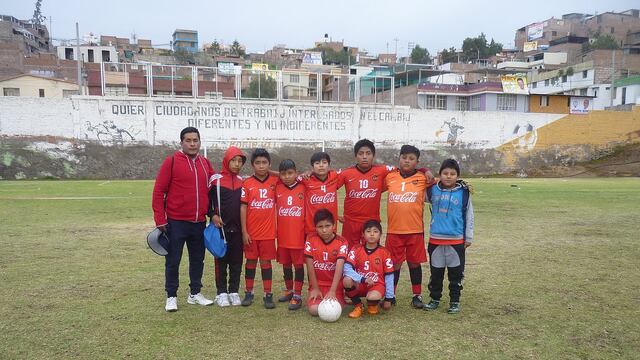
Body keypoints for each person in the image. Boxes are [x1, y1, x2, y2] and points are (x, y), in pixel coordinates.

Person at [151, 127, 215, 312]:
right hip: (176, 222)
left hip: (198, 222)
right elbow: (158, 191)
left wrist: (213, 213)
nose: (192, 144)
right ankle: (171, 296)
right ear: (181, 143)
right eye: (188, 140)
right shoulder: (171, 162)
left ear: (200, 142)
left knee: (198, 260)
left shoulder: (205, 163)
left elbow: (212, 191)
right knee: (173, 260)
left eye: (195, 140)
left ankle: (195, 294)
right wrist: (160, 219)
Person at [423, 159, 474, 314]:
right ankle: (435, 299)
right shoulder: (432, 190)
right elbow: (418, 188)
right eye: (445, 173)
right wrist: (425, 172)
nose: (449, 176)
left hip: (456, 240)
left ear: (457, 176)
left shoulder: (464, 192)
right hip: (436, 239)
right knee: (436, 274)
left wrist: (468, 237)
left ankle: (454, 301)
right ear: (440, 175)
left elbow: (469, 215)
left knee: (456, 275)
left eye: (452, 174)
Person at [384, 145, 432, 309]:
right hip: (394, 230)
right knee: (393, 264)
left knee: (414, 263)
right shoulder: (390, 177)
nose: (407, 161)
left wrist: (425, 170)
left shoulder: (423, 177)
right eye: (404, 157)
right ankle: (391, 295)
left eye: (411, 159)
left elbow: (441, 182)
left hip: (415, 230)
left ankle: (416, 295)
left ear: (417, 162)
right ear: (399, 159)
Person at [240, 148, 279, 309]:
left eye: (264, 163)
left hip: (268, 233)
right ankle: (248, 292)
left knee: (265, 263)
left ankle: (267, 294)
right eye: (258, 163)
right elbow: (243, 208)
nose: (261, 166)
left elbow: (290, 175)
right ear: (252, 165)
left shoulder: (275, 182)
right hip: (251, 233)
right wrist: (244, 231)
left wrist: (271, 172)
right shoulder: (247, 183)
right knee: (250, 262)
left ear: (269, 164)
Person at [209, 146, 246, 307]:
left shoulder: (242, 181)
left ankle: (234, 291)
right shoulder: (215, 180)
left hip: (238, 230)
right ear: (226, 160)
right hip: (221, 229)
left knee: (237, 261)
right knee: (221, 261)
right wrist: (212, 215)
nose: (237, 164)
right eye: (234, 160)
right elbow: (206, 202)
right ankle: (221, 292)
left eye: (240, 161)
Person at [343, 220, 395, 318]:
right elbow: (346, 268)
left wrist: (389, 298)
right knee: (347, 280)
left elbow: (389, 276)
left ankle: (372, 304)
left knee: (372, 298)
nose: (372, 234)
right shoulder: (356, 249)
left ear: (380, 235)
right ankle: (358, 305)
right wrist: (362, 279)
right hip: (360, 283)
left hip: (376, 285)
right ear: (363, 234)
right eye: (368, 231)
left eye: (375, 231)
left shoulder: (384, 252)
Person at [304, 209, 349, 316]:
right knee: (314, 310)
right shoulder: (311, 239)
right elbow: (309, 265)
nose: (324, 230)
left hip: (335, 286)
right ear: (315, 227)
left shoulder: (342, 242)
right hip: (318, 284)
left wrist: (333, 291)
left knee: (333, 310)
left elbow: (339, 267)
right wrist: (314, 288)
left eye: (327, 226)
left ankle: (341, 295)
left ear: (334, 225)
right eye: (320, 227)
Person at [275, 159, 306, 310]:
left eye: (290, 173)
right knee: (286, 265)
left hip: (298, 237)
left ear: (296, 173)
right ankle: (289, 290)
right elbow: (271, 175)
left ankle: (298, 295)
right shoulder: (278, 187)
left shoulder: (303, 186)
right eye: (283, 174)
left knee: (298, 266)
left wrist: (304, 176)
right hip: (283, 236)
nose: (287, 176)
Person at [300, 152, 340, 236]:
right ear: (312, 166)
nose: (321, 165)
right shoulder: (306, 179)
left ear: (329, 165)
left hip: (330, 227)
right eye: (317, 163)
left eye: (324, 162)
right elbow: (287, 176)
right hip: (311, 228)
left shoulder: (335, 176)